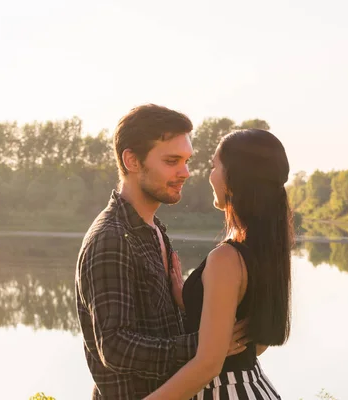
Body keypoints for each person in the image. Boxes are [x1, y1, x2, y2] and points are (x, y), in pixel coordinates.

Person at [75, 104, 250, 400]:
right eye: (172, 161)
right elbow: (115, 347)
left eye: (186, 161)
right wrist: (207, 345)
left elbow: (159, 330)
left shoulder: (154, 229)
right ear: (131, 160)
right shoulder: (111, 238)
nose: (185, 172)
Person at [145, 129, 293, 400]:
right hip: (252, 387)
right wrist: (188, 300)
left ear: (234, 179)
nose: (209, 175)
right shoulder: (264, 250)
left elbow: (208, 365)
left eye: (214, 166)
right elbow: (254, 345)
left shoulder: (226, 258)